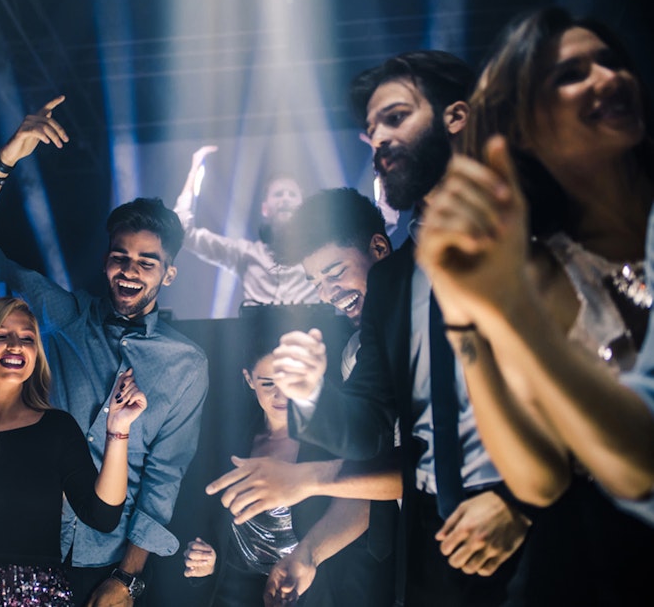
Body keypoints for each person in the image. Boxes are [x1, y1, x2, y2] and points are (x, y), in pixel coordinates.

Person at [257, 52, 542, 607]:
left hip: (545, 534)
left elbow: (602, 384)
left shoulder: (536, 235)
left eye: (394, 118)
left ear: (457, 118)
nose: (376, 141)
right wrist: (311, 391)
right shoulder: (391, 281)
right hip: (433, 547)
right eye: (369, 130)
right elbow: (366, 429)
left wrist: (521, 501)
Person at [416, 7, 654, 603]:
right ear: (521, 128)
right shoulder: (543, 271)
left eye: (612, 62)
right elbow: (537, 478)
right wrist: (464, 313)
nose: (609, 78)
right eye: (572, 74)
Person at [0, 98, 209, 607]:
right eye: (120, 257)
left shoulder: (186, 365)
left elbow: (164, 479)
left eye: (147, 262)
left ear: (168, 274)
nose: (129, 270)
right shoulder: (63, 315)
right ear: (105, 261)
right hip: (24, 544)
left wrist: (126, 580)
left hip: (110, 560)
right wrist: (6, 159)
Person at [201, 189, 399, 605]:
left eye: (334, 272)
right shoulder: (355, 352)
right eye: (316, 282)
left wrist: (303, 480)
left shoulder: (428, 320)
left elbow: (423, 462)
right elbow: (369, 464)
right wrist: (306, 555)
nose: (327, 293)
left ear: (379, 248)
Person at [184, 313, 393, 607]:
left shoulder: (332, 436)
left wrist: (307, 556)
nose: (280, 394)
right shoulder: (230, 439)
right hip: (237, 587)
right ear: (248, 379)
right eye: (267, 383)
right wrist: (207, 557)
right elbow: (210, 519)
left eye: (287, 382)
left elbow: (363, 506)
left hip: (316, 587)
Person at [0, 297, 147, 605]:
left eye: (27, 338)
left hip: (41, 597)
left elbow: (102, 517)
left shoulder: (57, 428)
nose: (16, 345)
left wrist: (118, 428)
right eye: (1, 335)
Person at [173, 146, 317, 308]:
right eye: (278, 194)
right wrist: (194, 172)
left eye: (292, 194)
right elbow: (183, 233)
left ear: (302, 206)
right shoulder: (245, 253)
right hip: (257, 332)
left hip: (311, 332)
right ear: (264, 208)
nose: (285, 199)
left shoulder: (318, 254)